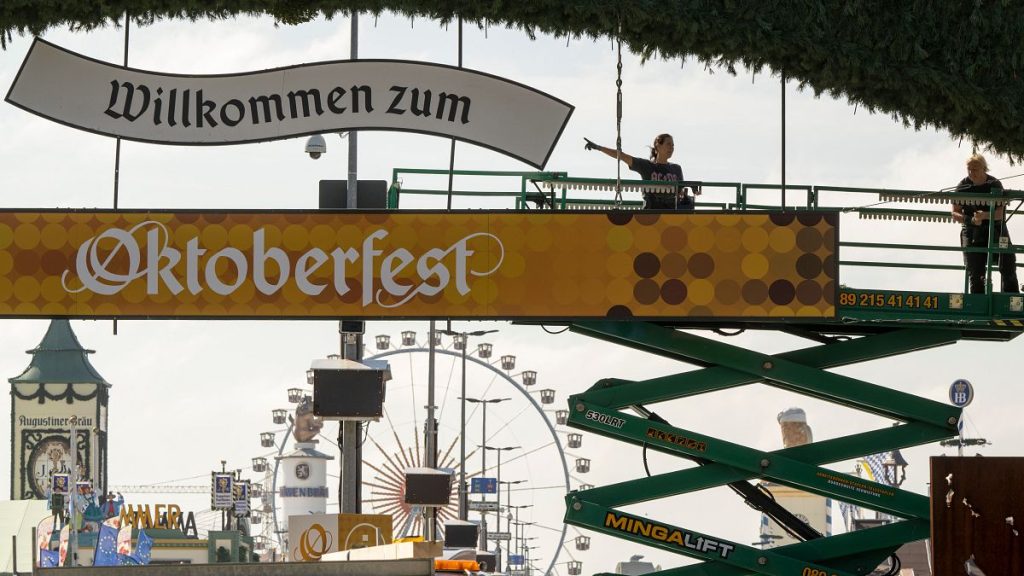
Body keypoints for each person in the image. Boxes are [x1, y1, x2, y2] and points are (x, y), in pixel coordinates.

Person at [951, 153, 1020, 293]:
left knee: (1008, 264)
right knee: (975, 271)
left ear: (984, 168)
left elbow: (1000, 213)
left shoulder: (994, 184)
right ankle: (977, 303)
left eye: (975, 169)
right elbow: (954, 212)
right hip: (972, 230)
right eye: (969, 169)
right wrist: (971, 220)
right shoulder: (963, 185)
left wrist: (985, 216)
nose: (971, 172)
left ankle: (1011, 299)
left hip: (996, 228)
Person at [584, 133, 699, 210]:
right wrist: (598, 147)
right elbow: (622, 156)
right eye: (668, 144)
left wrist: (692, 188)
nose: (671, 148)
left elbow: (681, 191)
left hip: (671, 212)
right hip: (652, 212)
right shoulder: (646, 166)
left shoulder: (676, 168)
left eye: (673, 145)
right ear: (657, 146)